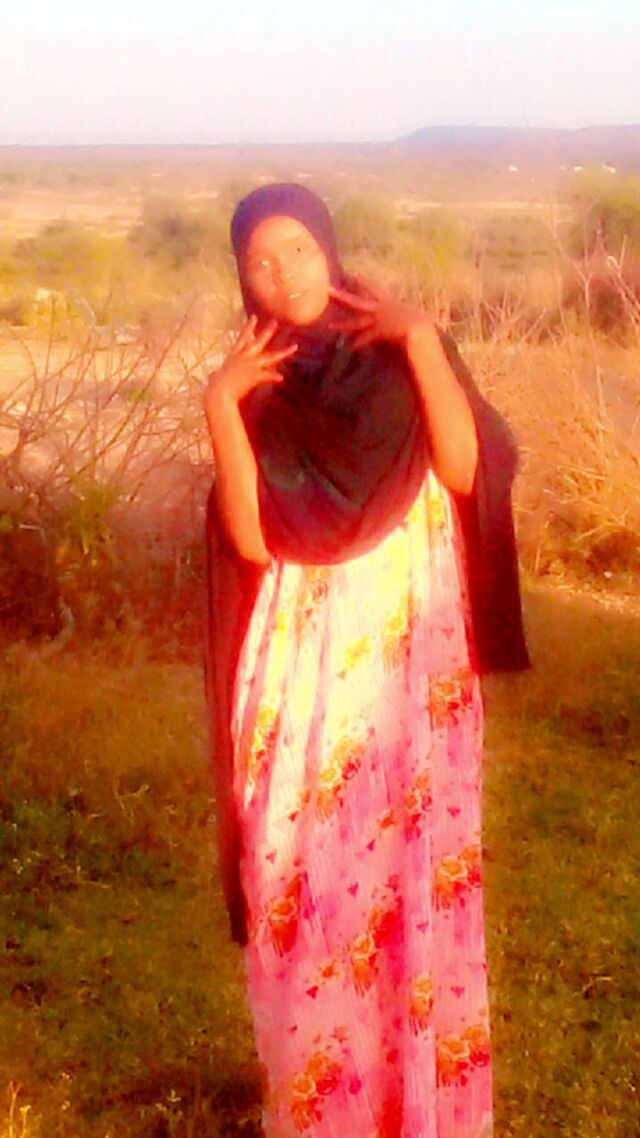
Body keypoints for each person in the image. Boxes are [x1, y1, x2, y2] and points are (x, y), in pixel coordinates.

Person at [204, 183, 529, 1138]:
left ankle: (419, 1105)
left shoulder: (398, 354)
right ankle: (322, 1110)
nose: (285, 274)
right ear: (243, 280)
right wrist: (219, 404)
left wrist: (423, 339)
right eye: (261, 262)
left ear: (331, 248)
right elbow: (252, 540)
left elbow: (465, 469)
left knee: (407, 876)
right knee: (297, 869)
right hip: (302, 662)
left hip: (408, 652)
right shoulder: (256, 388)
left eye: (300, 249)